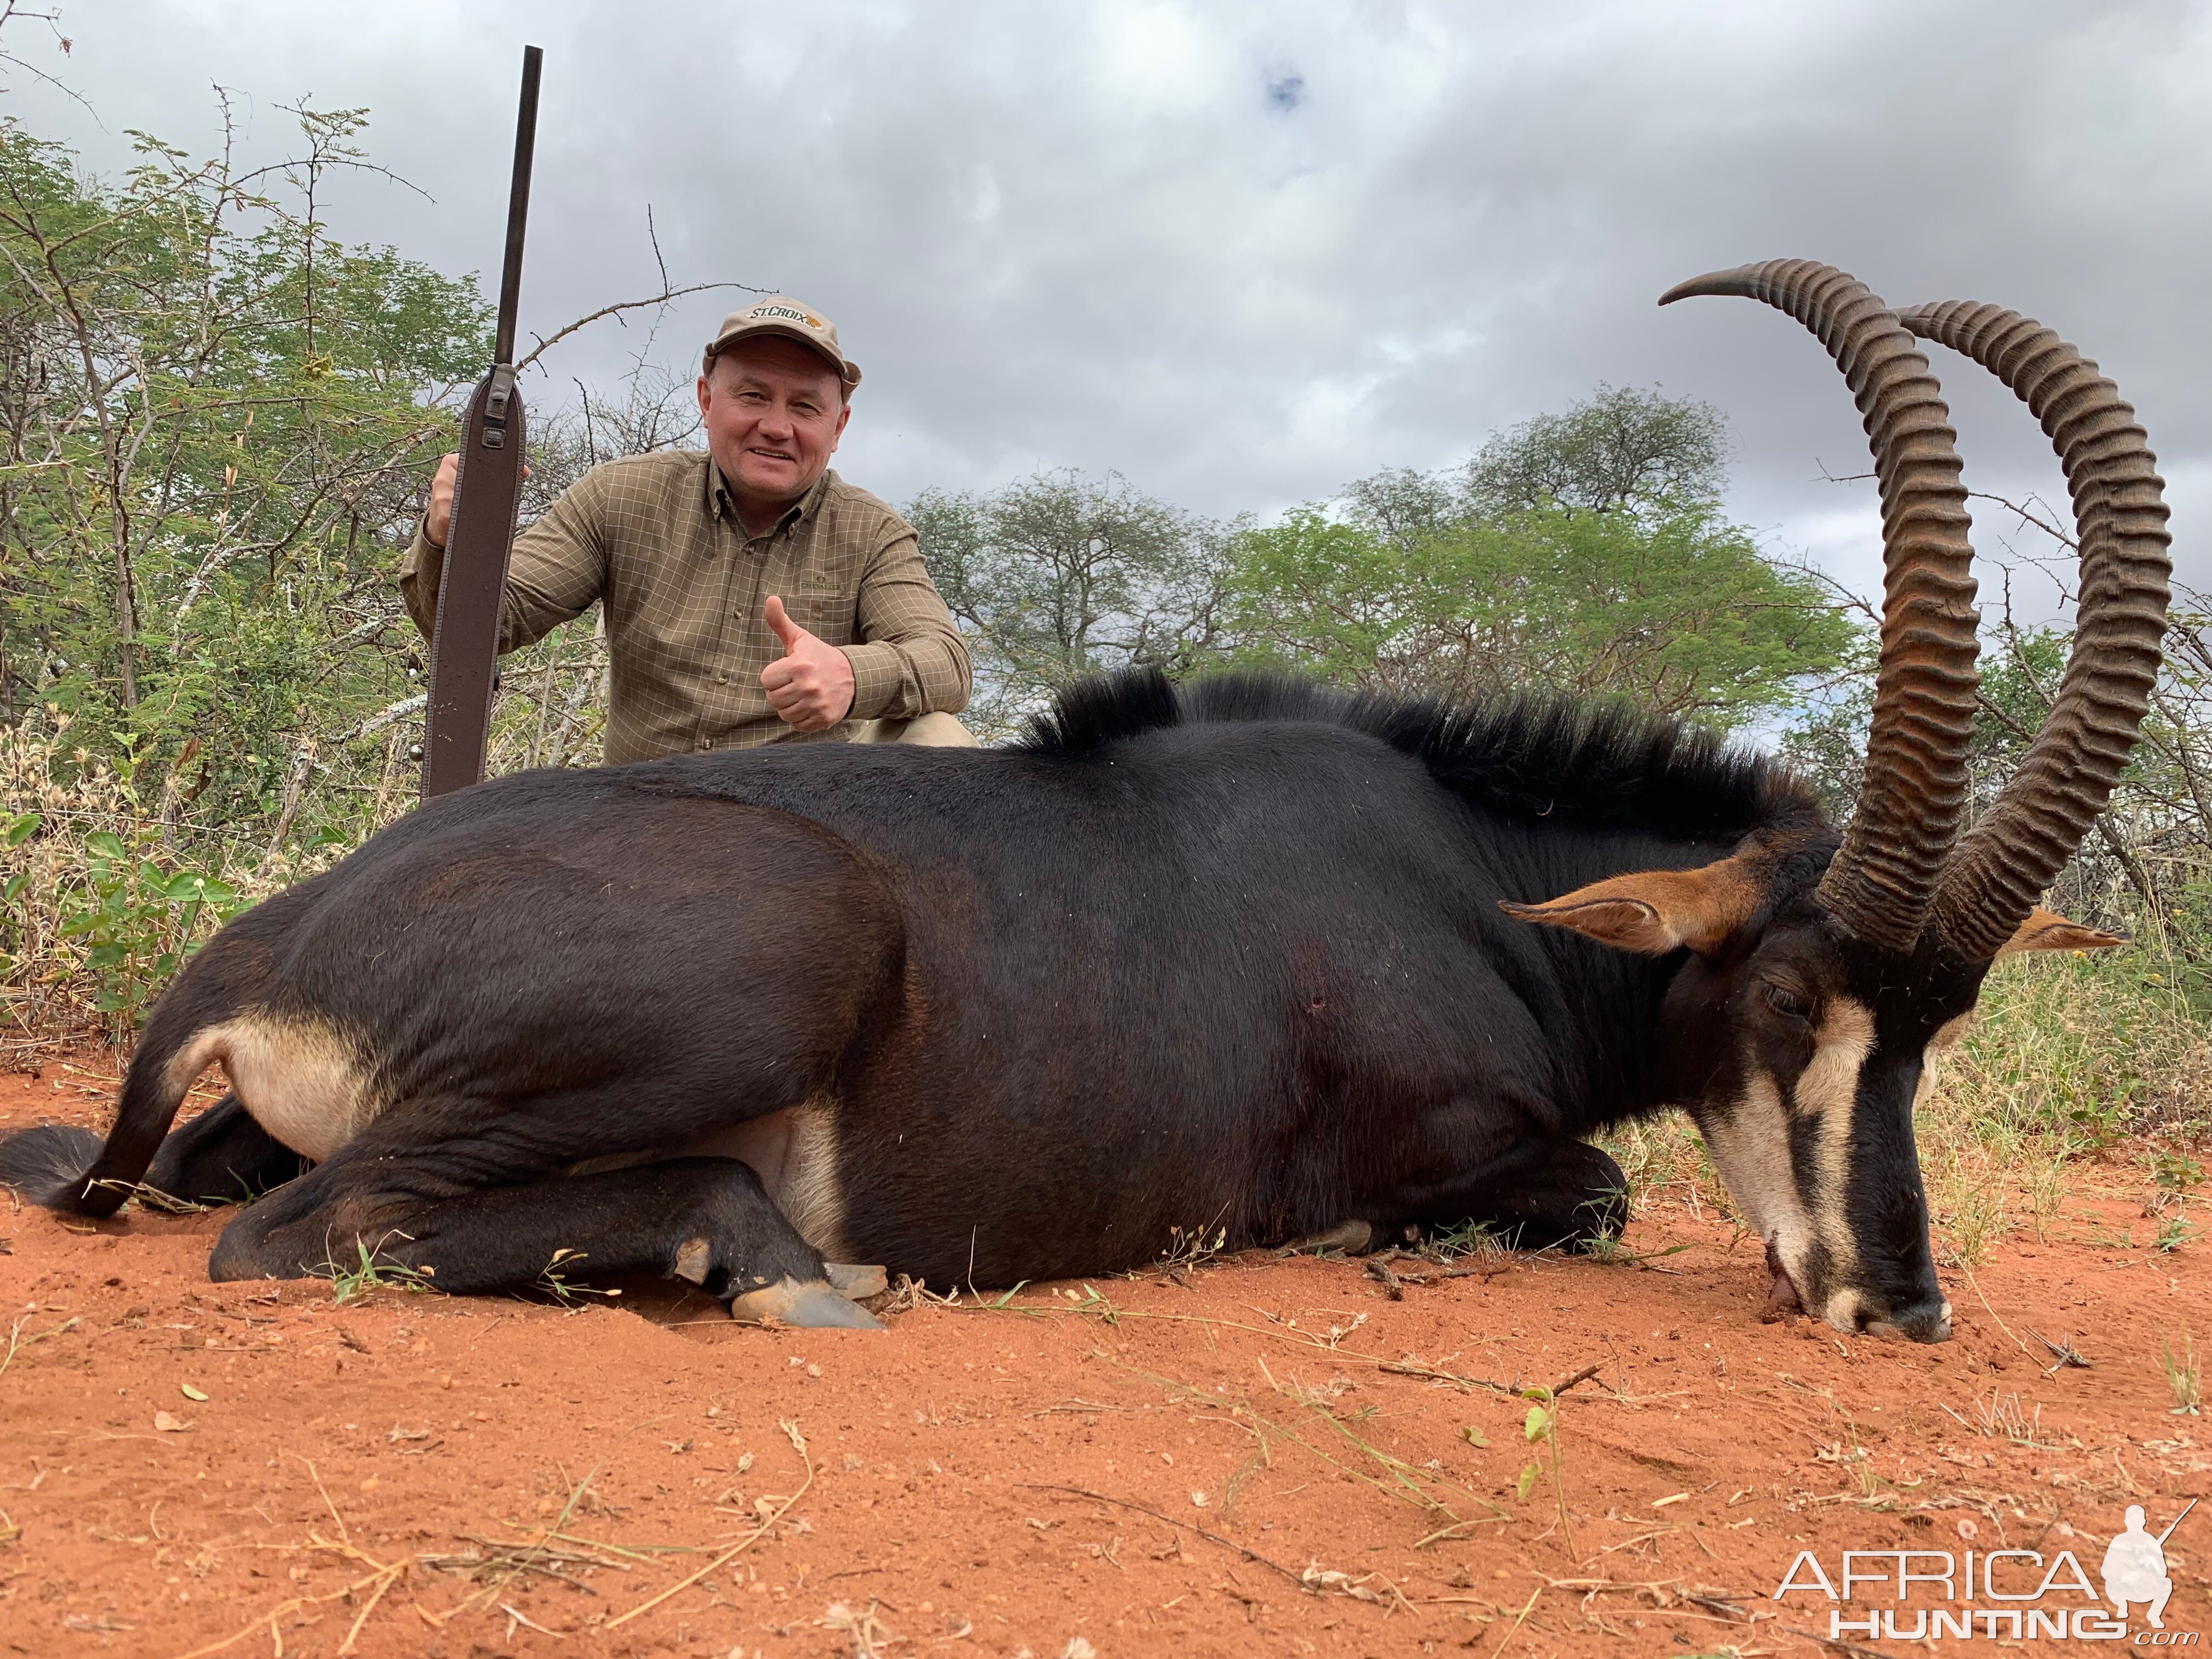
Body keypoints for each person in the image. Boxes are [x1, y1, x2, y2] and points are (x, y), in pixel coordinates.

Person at [398, 296, 974, 761]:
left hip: (802, 820)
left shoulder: (872, 530)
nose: (776, 427)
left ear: (838, 425)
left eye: (804, 407)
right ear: (706, 399)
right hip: (641, 811)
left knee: (940, 739)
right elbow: (491, 625)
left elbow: (946, 661)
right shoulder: (621, 493)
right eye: (753, 396)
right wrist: (456, 542)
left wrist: (850, 675)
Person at [2101, 1504, 2174, 1629]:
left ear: (2144, 1522)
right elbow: (2106, 1569)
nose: (2135, 1524)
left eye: (2138, 1520)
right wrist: (2126, 1566)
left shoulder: (2151, 1542)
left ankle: (2154, 1615)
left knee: (2166, 1584)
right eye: (2132, 1520)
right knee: (2111, 1582)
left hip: (2144, 1587)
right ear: (2126, 1522)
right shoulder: (2119, 1541)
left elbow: (2162, 1572)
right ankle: (2121, 1606)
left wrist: (2150, 1562)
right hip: (2123, 1587)